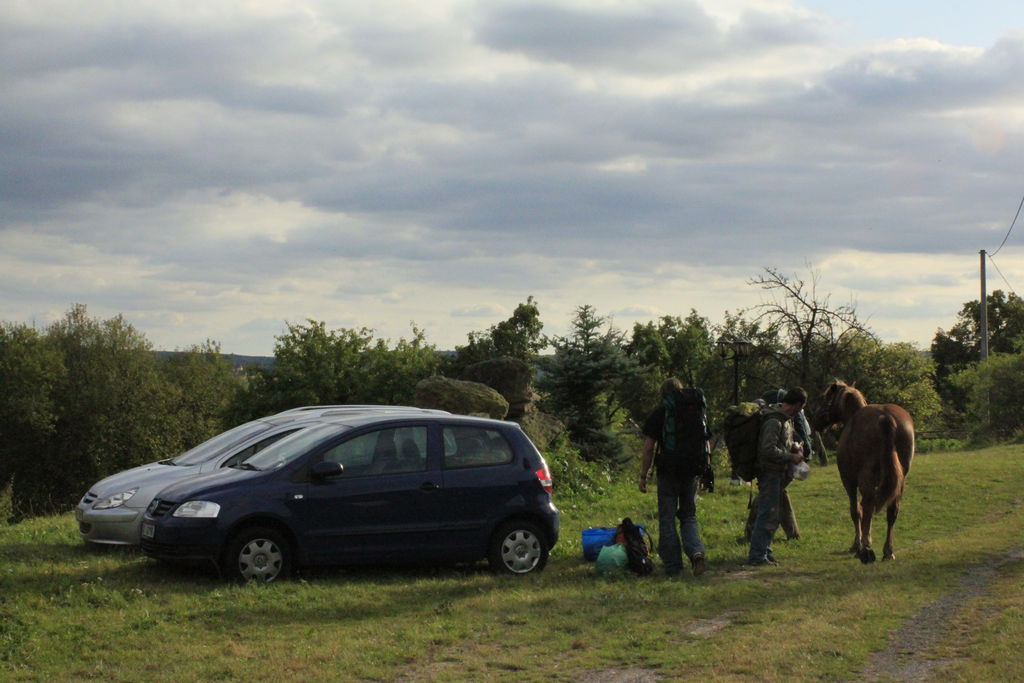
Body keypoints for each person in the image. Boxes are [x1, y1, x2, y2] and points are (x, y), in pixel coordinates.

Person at [638, 378, 708, 577]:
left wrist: (643, 476)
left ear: (663, 394)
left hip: (668, 472)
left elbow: (649, 448)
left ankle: (673, 566)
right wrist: (705, 469)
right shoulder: (696, 410)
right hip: (692, 470)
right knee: (688, 515)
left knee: (667, 518)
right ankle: (696, 552)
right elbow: (705, 441)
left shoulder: (661, 413)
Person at [747, 387, 808, 566]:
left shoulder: (784, 420)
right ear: (798, 404)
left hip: (777, 473)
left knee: (771, 514)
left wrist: (795, 447)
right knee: (766, 514)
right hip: (769, 473)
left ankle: (765, 551)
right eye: (801, 407)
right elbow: (767, 449)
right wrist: (791, 456)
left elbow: (780, 444)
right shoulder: (774, 420)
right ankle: (757, 556)